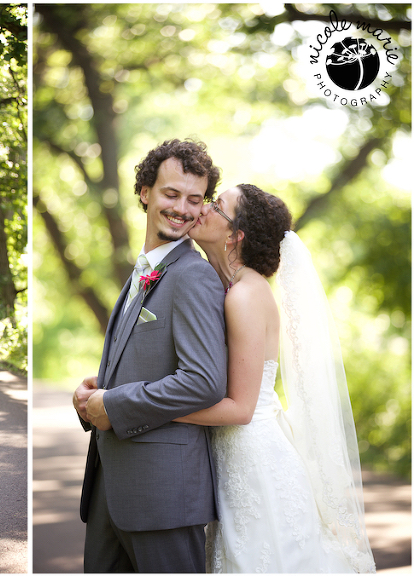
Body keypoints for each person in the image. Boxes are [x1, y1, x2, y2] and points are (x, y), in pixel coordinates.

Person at [181, 183, 375, 572]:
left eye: (217, 205)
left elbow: (240, 409)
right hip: (239, 460)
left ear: (236, 235)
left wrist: (152, 409)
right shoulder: (232, 289)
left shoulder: (246, 296)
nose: (203, 207)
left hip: (257, 466)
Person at [73, 138, 228, 572]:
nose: (182, 208)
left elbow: (204, 381)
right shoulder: (143, 270)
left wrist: (115, 404)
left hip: (162, 493)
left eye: (195, 200)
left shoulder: (194, 275)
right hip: (109, 483)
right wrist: (90, 400)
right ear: (145, 192)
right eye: (171, 194)